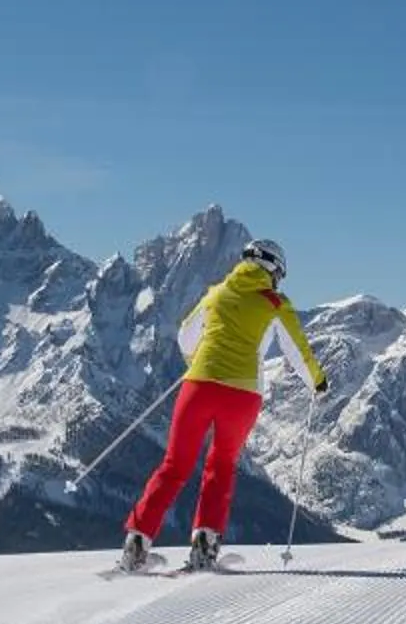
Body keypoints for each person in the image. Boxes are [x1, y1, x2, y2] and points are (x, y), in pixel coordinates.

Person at [121, 237, 328, 571]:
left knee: (174, 465)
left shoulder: (215, 293)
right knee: (220, 467)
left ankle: (137, 541)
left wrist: (200, 361)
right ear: (272, 268)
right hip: (242, 394)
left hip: (198, 386)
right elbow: (297, 351)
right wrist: (317, 382)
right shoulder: (274, 302)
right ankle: (205, 544)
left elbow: (186, 337)